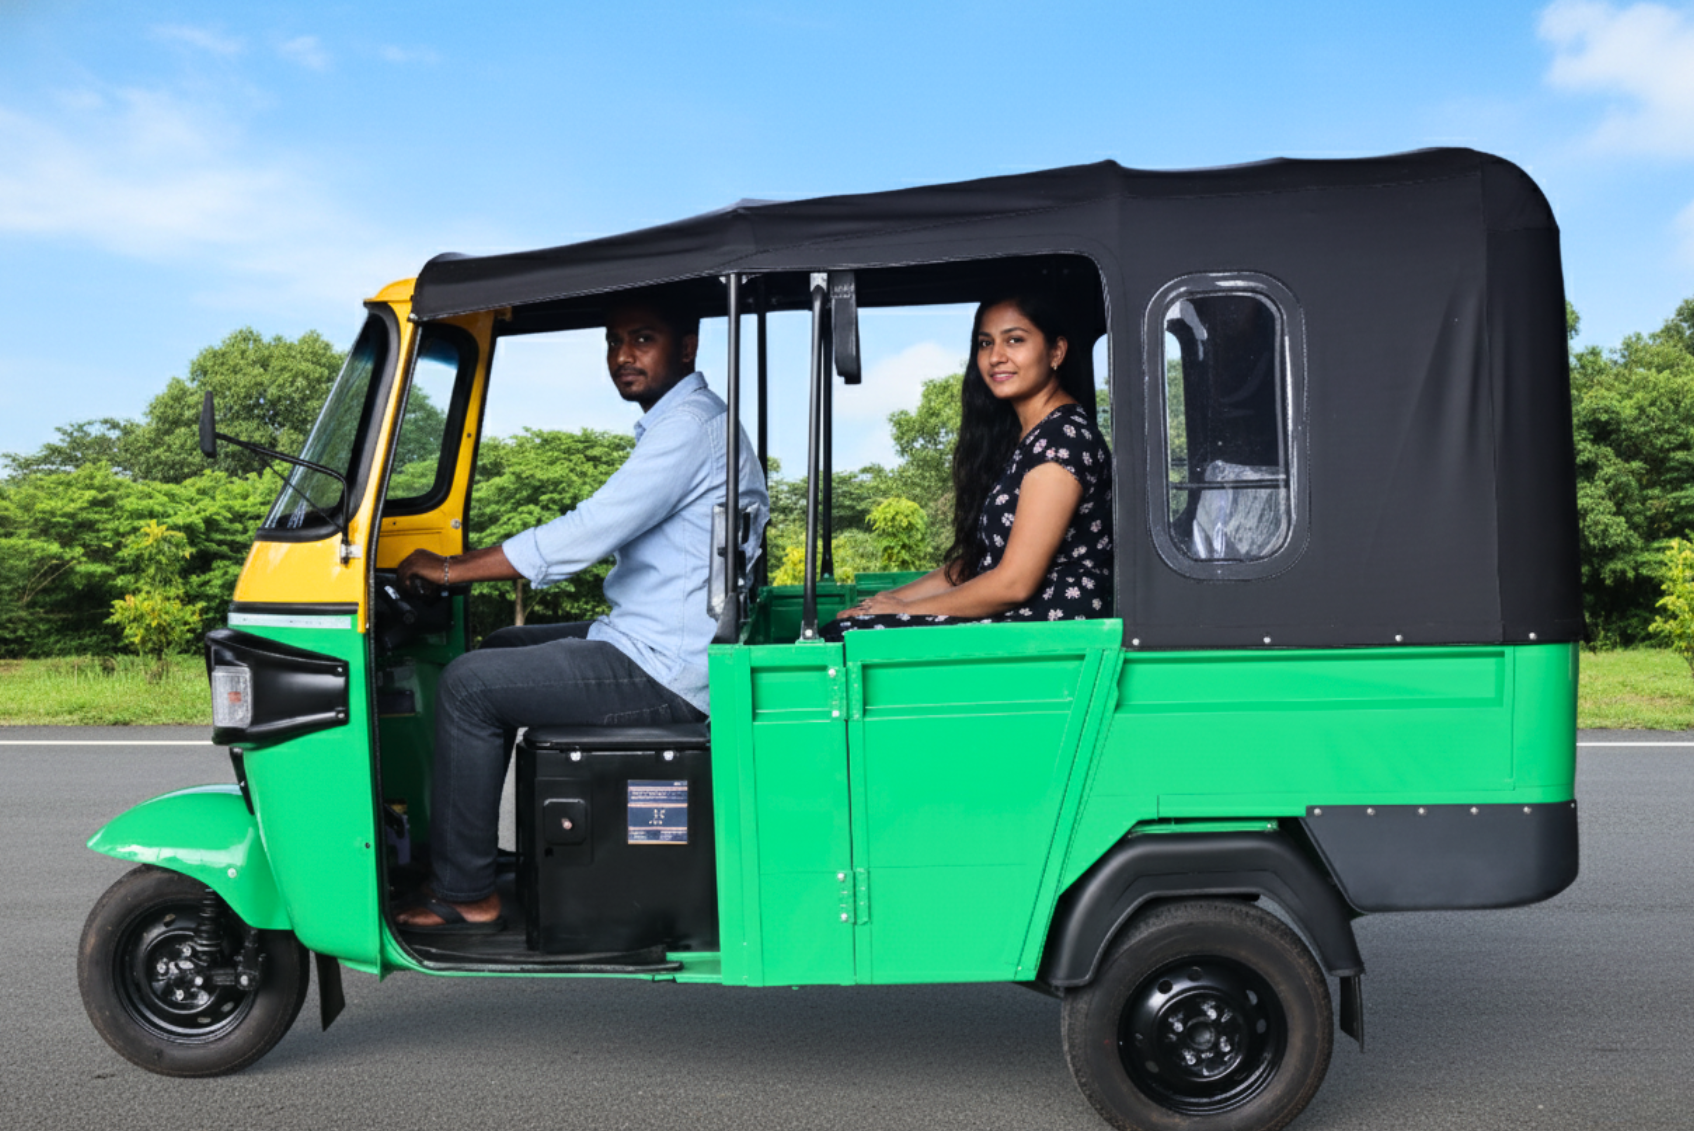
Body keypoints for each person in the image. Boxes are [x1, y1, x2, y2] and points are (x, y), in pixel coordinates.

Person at [395, 298, 768, 933]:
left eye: (642, 339)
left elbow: (587, 531)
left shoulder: (688, 429)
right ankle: (473, 859)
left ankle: (466, 893)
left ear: (686, 348)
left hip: (668, 668)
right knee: (501, 644)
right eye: (614, 341)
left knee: (467, 685)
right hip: (656, 639)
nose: (622, 356)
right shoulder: (687, 421)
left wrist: (451, 570)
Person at [827, 292, 1110, 634]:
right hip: (1019, 623)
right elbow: (975, 564)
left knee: (849, 637)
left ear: (1056, 352)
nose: (996, 357)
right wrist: (884, 601)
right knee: (846, 625)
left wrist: (904, 609)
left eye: (1015, 340)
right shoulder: (1023, 439)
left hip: (1046, 632)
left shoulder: (1062, 439)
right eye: (986, 343)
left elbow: (1014, 584)